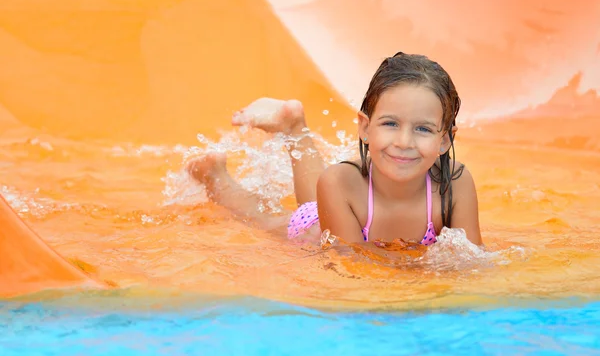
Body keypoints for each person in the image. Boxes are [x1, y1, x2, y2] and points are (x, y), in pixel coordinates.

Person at [186, 52, 482, 246]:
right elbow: (352, 263)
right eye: (390, 124)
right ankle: (216, 177)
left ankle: (293, 126)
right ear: (365, 128)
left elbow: (473, 257)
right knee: (272, 219)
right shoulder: (340, 182)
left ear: (445, 140)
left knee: (315, 199)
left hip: (337, 207)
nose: (404, 142)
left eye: (423, 129)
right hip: (317, 234)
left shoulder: (455, 183)